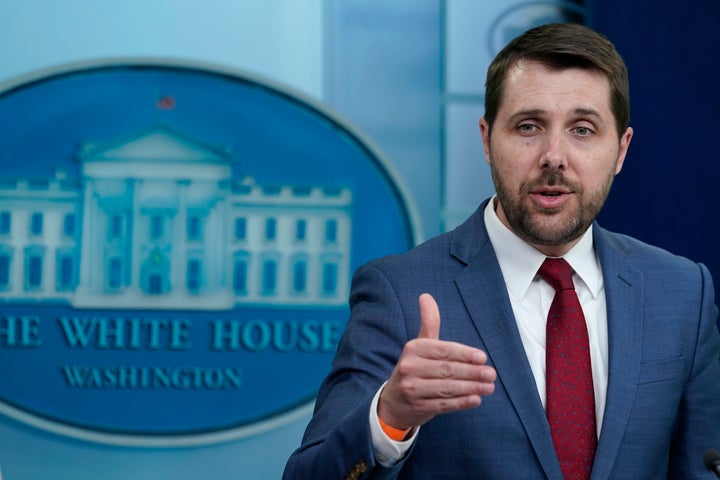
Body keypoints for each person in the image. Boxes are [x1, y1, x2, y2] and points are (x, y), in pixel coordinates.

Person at [282, 22, 720, 479]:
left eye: (583, 129)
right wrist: (389, 417)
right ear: (487, 140)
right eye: (529, 126)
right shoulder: (400, 292)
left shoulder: (682, 293)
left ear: (621, 150)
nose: (554, 155)